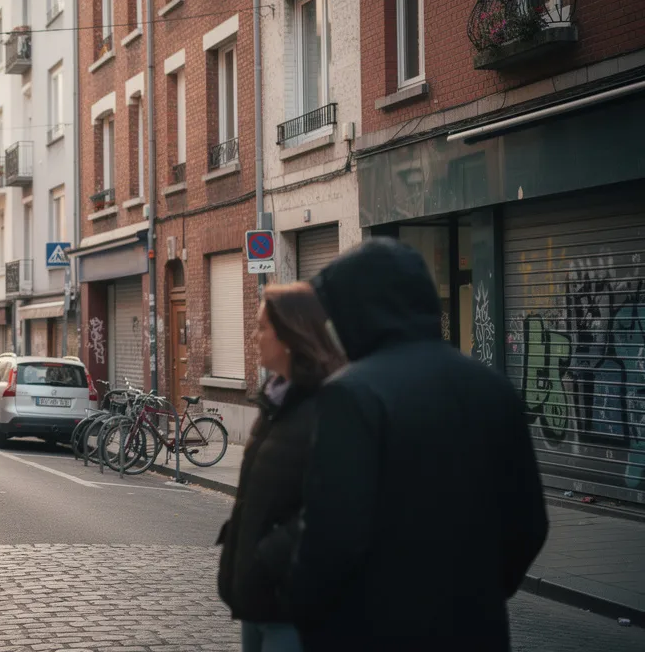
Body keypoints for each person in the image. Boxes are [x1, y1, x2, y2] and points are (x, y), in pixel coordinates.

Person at [278, 239, 548, 650]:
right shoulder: (494, 387)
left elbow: (331, 540)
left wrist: (304, 608)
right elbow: (529, 524)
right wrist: (479, 593)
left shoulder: (351, 395)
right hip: (477, 630)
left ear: (358, 310)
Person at [217, 283, 345, 652]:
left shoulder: (326, 407)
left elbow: (333, 508)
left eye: (261, 327)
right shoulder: (275, 403)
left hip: (291, 606)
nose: (254, 336)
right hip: (257, 602)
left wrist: (268, 556)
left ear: (290, 335)